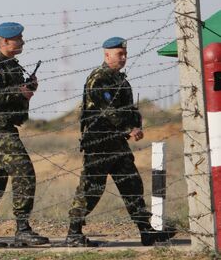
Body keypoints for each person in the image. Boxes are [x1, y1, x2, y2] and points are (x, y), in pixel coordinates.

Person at [65, 37, 177, 247]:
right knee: (92, 188)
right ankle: (74, 232)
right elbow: (108, 110)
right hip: (99, 143)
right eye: (119, 54)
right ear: (107, 55)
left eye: (125, 54)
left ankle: (146, 231)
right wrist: (128, 128)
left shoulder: (121, 80)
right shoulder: (98, 79)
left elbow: (129, 109)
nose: (123, 58)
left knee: (132, 184)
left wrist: (137, 125)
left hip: (118, 143)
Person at [0, 22, 48, 247]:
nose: (22, 41)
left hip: (5, 125)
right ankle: (22, 229)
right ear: (4, 41)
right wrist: (19, 91)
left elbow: (13, 96)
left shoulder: (13, 65)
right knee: (24, 171)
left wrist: (27, 91)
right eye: (18, 38)